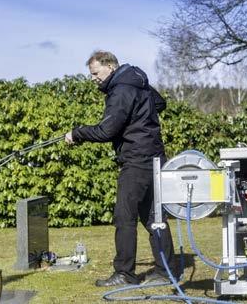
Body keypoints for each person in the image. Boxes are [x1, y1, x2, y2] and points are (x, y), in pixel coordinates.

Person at [64, 51, 177, 286]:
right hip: (154, 156)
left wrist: (78, 133)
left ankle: (124, 273)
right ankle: (166, 272)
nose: (93, 78)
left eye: (95, 73)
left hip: (136, 159)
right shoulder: (138, 80)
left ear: (110, 67)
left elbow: (107, 130)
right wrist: (142, 120)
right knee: (154, 216)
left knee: (124, 217)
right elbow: (159, 103)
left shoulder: (121, 88)